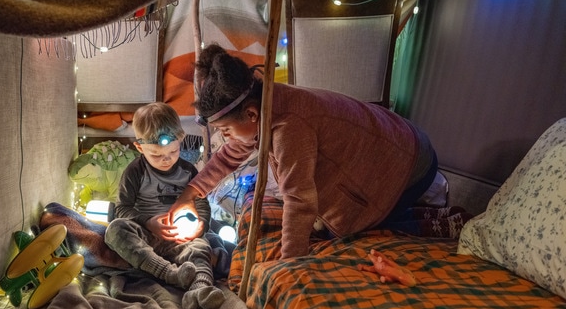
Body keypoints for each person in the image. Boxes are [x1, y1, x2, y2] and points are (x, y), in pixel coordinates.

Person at [170, 44, 471, 260]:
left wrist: (289, 262)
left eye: (225, 131)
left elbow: (299, 200)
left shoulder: (289, 126)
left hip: (408, 161)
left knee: (344, 232)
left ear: (250, 116)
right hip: (398, 140)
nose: (226, 139)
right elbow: (232, 152)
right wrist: (191, 193)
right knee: (323, 224)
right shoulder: (264, 102)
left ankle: (436, 222)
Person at [104, 102, 225, 309]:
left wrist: (201, 225)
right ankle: (169, 273)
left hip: (181, 238)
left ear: (181, 140)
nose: (166, 159)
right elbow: (122, 208)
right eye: (156, 155)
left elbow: (202, 203)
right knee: (115, 229)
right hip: (147, 237)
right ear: (140, 147)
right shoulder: (135, 172)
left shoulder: (188, 171)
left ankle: (201, 288)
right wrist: (148, 223)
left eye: (173, 151)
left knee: (201, 246)